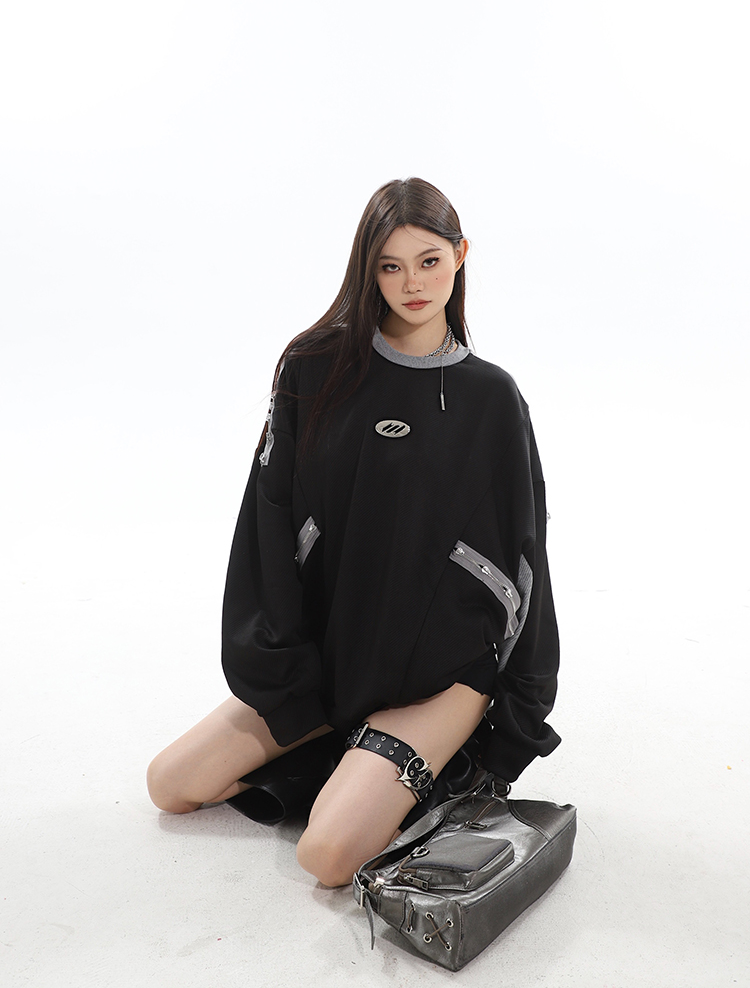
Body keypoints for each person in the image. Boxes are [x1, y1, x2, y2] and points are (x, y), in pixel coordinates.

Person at [147, 177, 561, 888]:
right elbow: (267, 523)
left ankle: (426, 775)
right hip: (333, 659)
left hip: (439, 679)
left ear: (461, 255)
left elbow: (526, 563)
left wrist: (513, 728)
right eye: (391, 266)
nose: (412, 283)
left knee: (326, 856)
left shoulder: (492, 397)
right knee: (170, 784)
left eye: (429, 261)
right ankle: (346, 758)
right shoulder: (315, 369)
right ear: (367, 268)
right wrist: (284, 671)